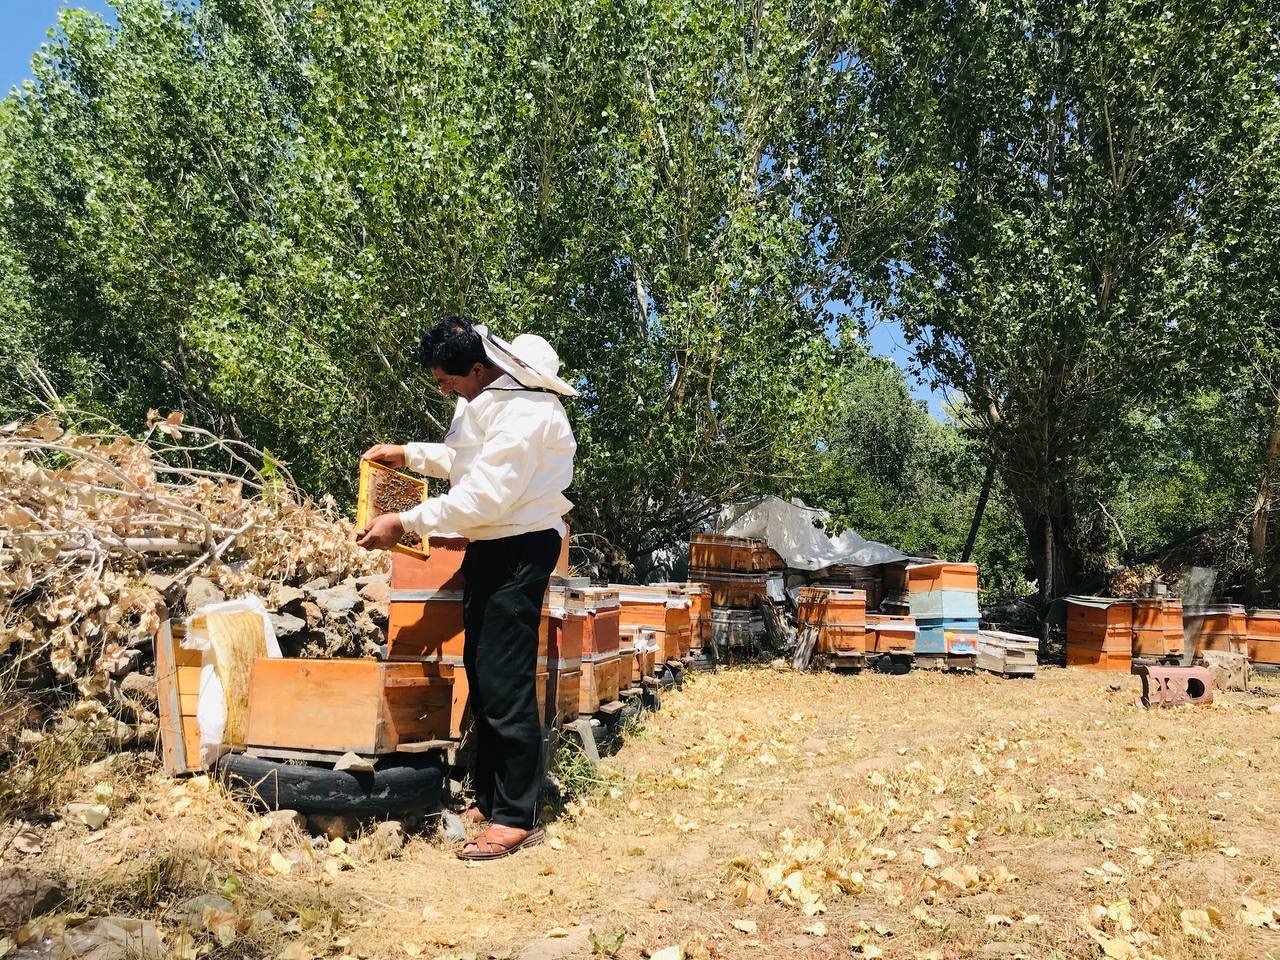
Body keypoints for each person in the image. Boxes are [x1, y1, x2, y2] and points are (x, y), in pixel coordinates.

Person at [356, 316, 576, 860]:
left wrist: (404, 522)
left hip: (520, 546)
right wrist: (407, 453)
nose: (444, 388)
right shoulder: (487, 393)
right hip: (491, 545)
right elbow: (463, 457)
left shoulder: (528, 413)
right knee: (481, 666)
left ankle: (515, 816)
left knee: (505, 677)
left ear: (478, 367)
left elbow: (482, 498)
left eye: (448, 379)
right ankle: (489, 793)